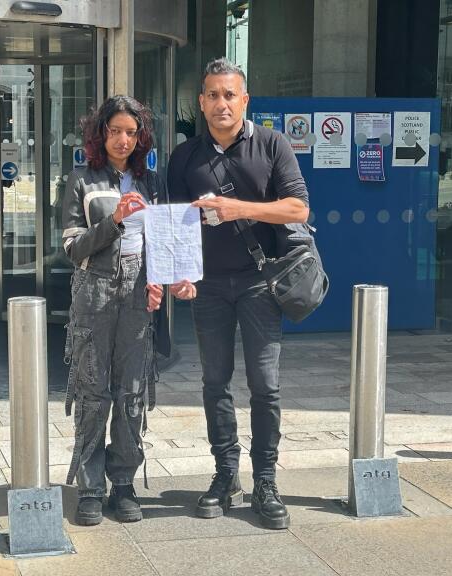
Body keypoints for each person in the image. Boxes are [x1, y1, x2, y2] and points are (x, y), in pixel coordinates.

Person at [167, 58, 310, 530]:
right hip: (207, 286)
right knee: (215, 382)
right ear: (201, 102)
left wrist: (237, 208)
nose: (221, 103)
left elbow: (298, 207)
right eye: (212, 95)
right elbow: (176, 225)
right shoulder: (184, 157)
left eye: (230, 94)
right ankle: (226, 473)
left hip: (259, 282)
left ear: (244, 100)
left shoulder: (272, 144)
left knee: (265, 386)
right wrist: (179, 274)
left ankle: (265, 480)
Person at [61, 95, 190, 526]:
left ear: (140, 138)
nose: (122, 140)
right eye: (115, 131)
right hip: (93, 293)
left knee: (132, 392)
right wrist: (114, 220)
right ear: (101, 134)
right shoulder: (82, 180)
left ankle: (123, 484)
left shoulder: (151, 182)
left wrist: (161, 280)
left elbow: (163, 240)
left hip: (137, 294)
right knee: (93, 393)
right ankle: (90, 488)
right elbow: (72, 248)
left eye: (131, 133)